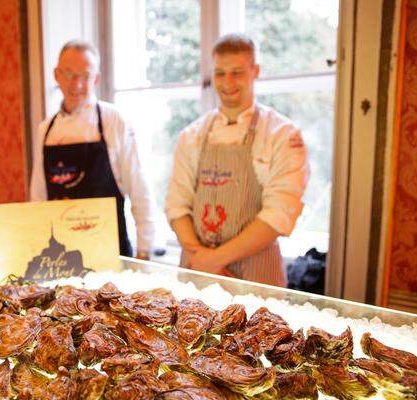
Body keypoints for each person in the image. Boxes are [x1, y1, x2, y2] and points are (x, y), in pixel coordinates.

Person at [165, 33, 309, 286]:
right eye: (220, 73)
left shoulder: (283, 135)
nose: (227, 82)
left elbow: (278, 214)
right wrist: (202, 259)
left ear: (256, 71)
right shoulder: (191, 135)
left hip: (257, 278)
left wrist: (215, 260)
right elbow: (177, 205)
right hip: (197, 272)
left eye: (237, 72)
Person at [30, 40, 155, 259]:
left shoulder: (115, 120)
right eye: (68, 74)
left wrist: (144, 249)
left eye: (85, 75)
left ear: (95, 78)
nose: (76, 84)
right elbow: (38, 197)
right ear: (56, 75)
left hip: (110, 251)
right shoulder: (45, 129)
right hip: (61, 255)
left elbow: (139, 188)